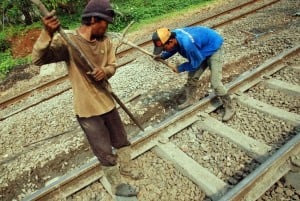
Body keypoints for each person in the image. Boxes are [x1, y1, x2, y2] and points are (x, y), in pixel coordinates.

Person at [32, 0, 139, 197]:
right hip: (87, 110)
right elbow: (38, 59)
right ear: (93, 19)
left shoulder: (105, 41)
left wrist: (105, 71)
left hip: (107, 101)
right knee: (104, 151)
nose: (106, 27)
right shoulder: (68, 42)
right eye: (105, 22)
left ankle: (126, 166)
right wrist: (47, 33)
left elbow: (113, 65)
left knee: (122, 140)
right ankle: (117, 185)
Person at [152, 26, 235, 121]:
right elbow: (174, 48)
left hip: (213, 47)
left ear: (171, 41)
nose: (164, 50)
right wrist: (163, 57)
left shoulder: (187, 44)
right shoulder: (172, 36)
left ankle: (230, 107)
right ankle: (190, 100)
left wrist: (180, 68)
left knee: (215, 82)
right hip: (200, 49)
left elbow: (195, 63)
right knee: (192, 77)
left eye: (164, 48)